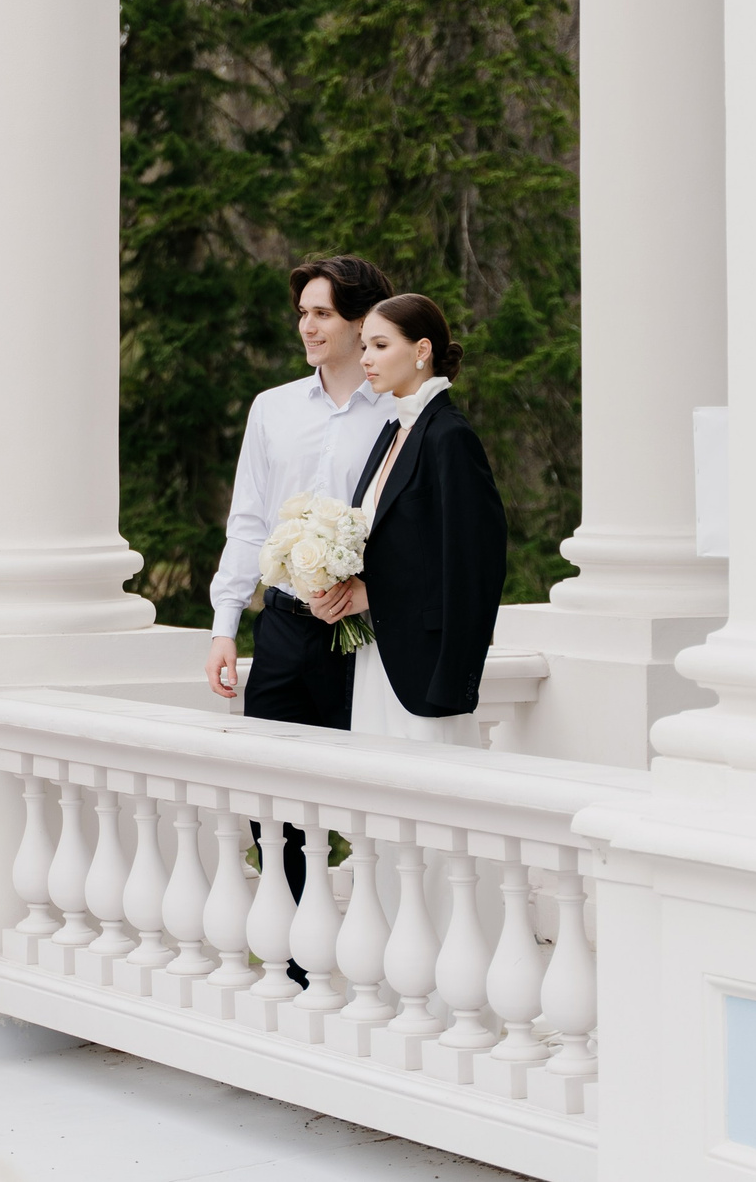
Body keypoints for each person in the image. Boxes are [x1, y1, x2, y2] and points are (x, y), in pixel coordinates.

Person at [201, 257, 397, 975]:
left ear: (360, 322)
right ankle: (296, 964)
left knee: (364, 800)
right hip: (282, 625)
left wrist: (369, 588)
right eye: (303, 313)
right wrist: (225, 624)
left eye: (322, 314)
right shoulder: (272, 408)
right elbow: (248, 521)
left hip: (361, 633)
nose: (307, 327)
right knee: (272, 799)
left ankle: (370, 961)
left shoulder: (396, 411)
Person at [311, 292, 507, 741]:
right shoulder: (392, 432)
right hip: (375, 659)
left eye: (380, 346)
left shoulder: (450, 436)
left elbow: (475, 566)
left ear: (422, 350)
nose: (366, 358)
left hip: (427, 671)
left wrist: (454, 680)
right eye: (365, 346)